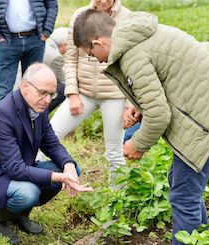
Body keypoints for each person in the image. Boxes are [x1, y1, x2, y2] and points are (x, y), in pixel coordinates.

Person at [72, 10, 209, 244]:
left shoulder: (132, 56)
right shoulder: (141, 35)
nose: (97, 60)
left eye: (91, 53)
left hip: (208, 120)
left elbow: (160, 114)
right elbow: (169, 80)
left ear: (97, 42)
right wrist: (140, 107)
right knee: (181, 185)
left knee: (184, 195)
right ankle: (200, 237)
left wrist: (138, 144)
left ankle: (189, 240)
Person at [0, 63, 93, 244]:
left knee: (72, 169)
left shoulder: (37, 107)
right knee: (29, 193)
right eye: (43, 93)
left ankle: (20, 213)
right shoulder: (1, 115)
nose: (48, 100)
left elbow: (51, 144)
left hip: (19, 166)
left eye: (51, 94)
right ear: (25, 86)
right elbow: (14, 168)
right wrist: (58, 177)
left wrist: (68, 165)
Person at [47, 0, 130, 188]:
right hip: (83, 92)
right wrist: (72, 93)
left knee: (114, 152)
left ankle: (117, 200)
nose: (102, 1)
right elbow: (70, 58)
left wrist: (129, 105)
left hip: (115, 95)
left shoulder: (127, 18)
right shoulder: (80, 16)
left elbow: (131, 64)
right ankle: (42, 182)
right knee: (50, 134)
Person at [123, 41, 209, 143]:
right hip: (188, 65)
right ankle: (128, 138)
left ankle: (129, 136)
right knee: (157, 103)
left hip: (185, 60)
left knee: (155, 99)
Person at [0, 0, 58, 107]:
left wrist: (46, 31)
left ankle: (29, 123)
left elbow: (52, 4)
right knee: (2, 93)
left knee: (34, 90)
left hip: (35, 39)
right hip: (7, 41)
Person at [13, 27, 69, 112]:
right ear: (65, 45)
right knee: (63, 89)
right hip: (26, 91)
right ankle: (39, 114)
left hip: (19, 85)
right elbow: (64, 80)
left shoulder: (44, 44)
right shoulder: (55, 57)